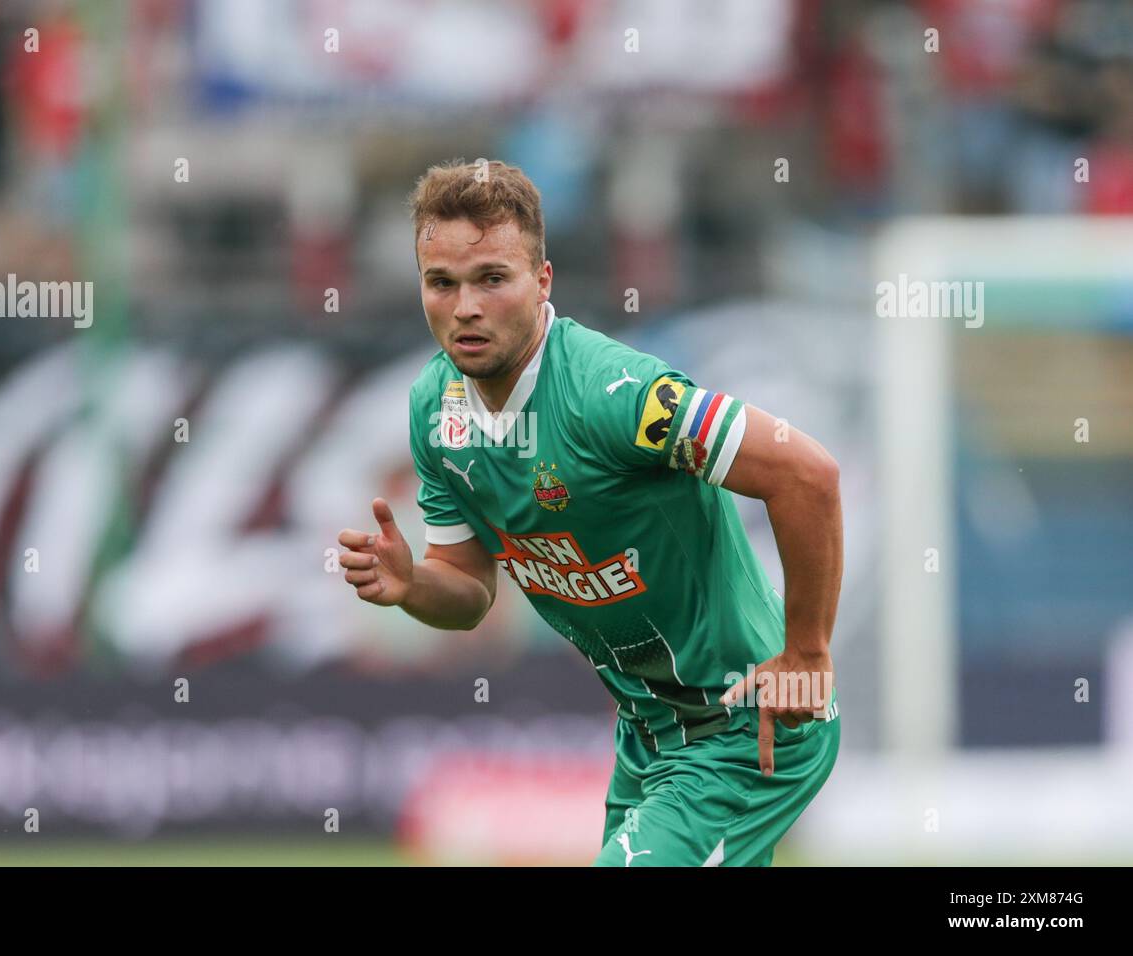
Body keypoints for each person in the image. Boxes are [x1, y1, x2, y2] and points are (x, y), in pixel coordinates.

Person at [336, 159, 841, 866]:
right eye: (441, 283)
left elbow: (806, 473)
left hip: (744, 724)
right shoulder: (436, 409)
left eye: (491, 278)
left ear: (542, 283)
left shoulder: (613, 393)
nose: (465, 307)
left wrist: (808, 654)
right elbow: (469, 589)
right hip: (648, 738)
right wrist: (412, 584)